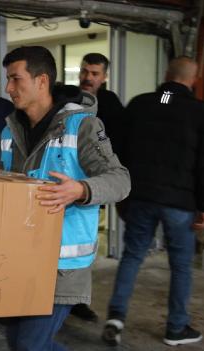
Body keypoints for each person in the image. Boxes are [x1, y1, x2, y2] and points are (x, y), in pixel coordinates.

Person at [0, 46, 130, 351]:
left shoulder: (82, 125)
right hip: (21, 260)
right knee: (19, 340)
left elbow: (120, 180)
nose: (8, 88)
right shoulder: (9, 131)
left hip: (62, 264)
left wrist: (81, 189)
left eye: (15, 79)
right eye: (7, 79)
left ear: (41, 81)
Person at [102, 56, 204, 347]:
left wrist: (122, 193)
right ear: (194, 80)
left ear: (167, 74)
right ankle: (176, 328)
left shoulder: (145, 103)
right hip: (180, 202)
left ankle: (116, 318)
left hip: (141, 196)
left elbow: (121, 149)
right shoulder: (201, 112)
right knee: (180, 266)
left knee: (132, 257)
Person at [70, 53, 126, 323]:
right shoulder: (67, 97)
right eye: (85, 71)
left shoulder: (112, 104)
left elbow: (118, 144)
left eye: (94, 73)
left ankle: (78, 301)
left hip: (93, 186)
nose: (88, 77)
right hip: (65, 181)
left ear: (104, 77)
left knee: (84, 247)